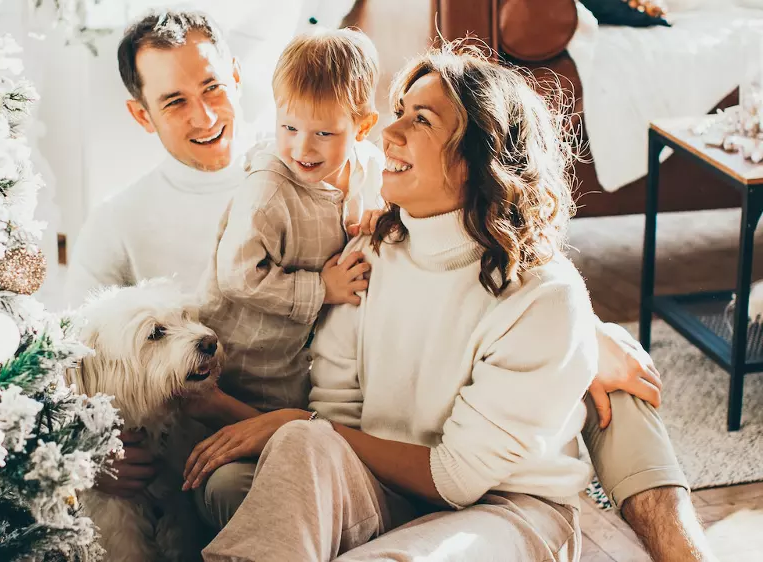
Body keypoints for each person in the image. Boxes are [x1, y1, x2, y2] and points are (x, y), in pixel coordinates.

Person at [68, 10, 714, 562]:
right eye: (175, 100)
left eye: (416, 121)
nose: (385, 132)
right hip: (337, 457)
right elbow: (69, 371)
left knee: (620, 396)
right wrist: (91, 450)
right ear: (141, 114)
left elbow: (500, 298)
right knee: (294, 445)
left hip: (489, 495)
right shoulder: (126, 224)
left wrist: (588, 338)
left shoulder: (340, 172)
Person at [197, 28, 383, 417]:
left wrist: (385, 215)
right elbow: (237, 276)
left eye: (324, 133)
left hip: (313, 360)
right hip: (250, 361)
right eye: (290, 127)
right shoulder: (268, 189)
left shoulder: (371, 167)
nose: (302, 148)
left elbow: (390, 205)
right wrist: (320, 289)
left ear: (362, 128)